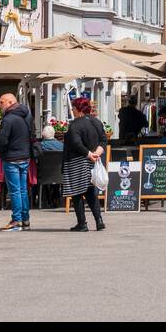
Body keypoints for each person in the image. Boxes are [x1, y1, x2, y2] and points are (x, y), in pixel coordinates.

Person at [63, 96, 107, 232]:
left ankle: (82, 223)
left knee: (76, 193)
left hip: (77, 162)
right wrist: (96, 154)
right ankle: (99, 221)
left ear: (78, 109)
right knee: (90, 192)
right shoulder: (97, 122)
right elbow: (103, 140)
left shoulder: (75, 125)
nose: (72, 111)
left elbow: (76, 144)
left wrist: (88, 154)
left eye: (73, 108)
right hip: (93, 162)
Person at [0, 93, 34, 232]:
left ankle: (16, 220)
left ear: (10, 102)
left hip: (12, 158)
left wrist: (1, 152)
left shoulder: (9, 119)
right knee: (22, 190)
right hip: (24, 156)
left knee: (15, 191)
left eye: (1, 102)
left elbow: (2, 140)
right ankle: (25, 219)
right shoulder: (26, 116)